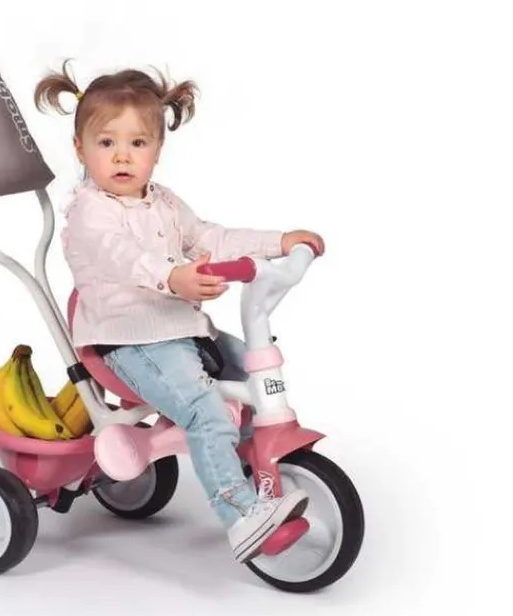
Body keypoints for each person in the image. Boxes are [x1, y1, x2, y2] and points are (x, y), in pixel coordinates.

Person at [34, 64, 325, 562]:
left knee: (252, 375)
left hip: (185, 331)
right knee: (204, 410)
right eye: (106, 143)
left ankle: (254, 467)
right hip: (128, 342)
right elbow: (122, 256)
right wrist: (173, 277)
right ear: (80, 149)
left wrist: (278, 242)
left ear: (157, 149)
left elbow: (211, 237)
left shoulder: (164, 203)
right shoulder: (89, 212)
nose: (122, 155)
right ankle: (242, 514)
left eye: (137, 143)